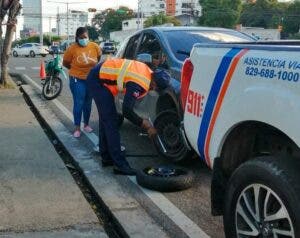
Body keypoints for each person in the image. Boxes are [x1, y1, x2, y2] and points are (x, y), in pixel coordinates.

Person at [86, 56, 170, 175]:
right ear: (154, 82)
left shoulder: (148, 71)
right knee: (111, 123)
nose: (153, 89)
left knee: (105, 120)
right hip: (98, 81)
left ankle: (106, 158)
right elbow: (127, 110)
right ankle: (120, 165)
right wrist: (145, 125)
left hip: (100, 75)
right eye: (155, 87)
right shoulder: (140, 82)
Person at [63, 27, 101, 138]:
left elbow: (98, 58)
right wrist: (76, 70)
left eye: (85, 37)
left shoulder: (94, 46)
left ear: (88, 37)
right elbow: (66, 63)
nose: (84, 39)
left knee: (88, 103)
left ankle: (86, 125)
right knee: (79, 103)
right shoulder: (72, 49)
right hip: (77, 79)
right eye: (81, 38)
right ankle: (77, 128)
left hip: (91, 79)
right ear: (77, 38)